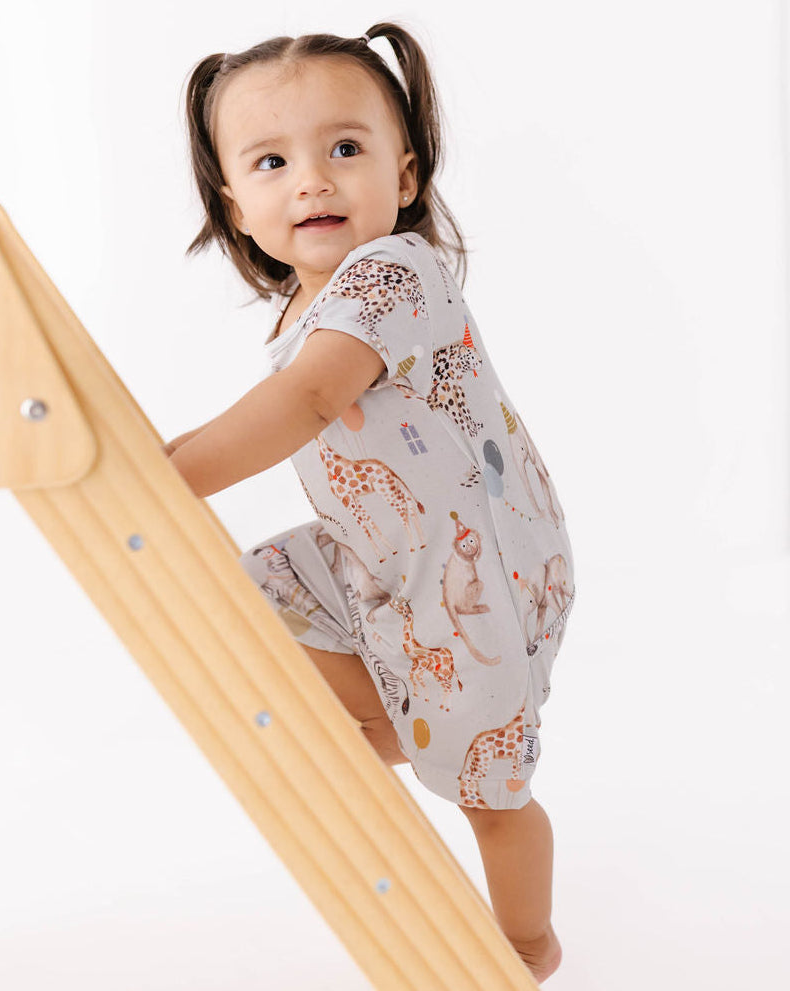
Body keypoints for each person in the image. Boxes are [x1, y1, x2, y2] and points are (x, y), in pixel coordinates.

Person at [165, 21, 575, 984]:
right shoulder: (300, 305)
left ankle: (526, 946)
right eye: (271, 161)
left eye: (344, 149)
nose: (311, 179)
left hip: (476, 578)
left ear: (404, 176)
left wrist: (171, 470)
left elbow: (305, 402)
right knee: (257, 600)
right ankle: (397, 723)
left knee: (490, 791)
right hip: (378, 552)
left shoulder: (395, 274)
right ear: (235, 202)